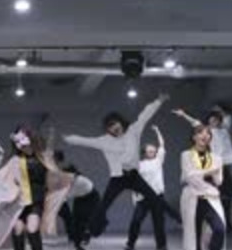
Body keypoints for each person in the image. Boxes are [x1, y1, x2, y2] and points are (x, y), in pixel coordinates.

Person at [63, 94, 169, 240]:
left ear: (121, 122)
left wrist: (158, 101)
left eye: (115, 124)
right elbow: (86, 141)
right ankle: (90, 231)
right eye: (110, 127)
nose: (114, 128)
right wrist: (69, 139)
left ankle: (172, 226)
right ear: (108, 130)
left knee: (155, 200)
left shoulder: (133, 130)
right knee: (103, 205)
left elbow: (145, 115)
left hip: (133, 176)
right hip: (118, 178)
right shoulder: (104, 140)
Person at [0, 126, 74, 250]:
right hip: (18, 203)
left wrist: (51, 137)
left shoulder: (43, 157)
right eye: (19, 143)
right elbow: (0, 178)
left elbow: (54, 170)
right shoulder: (15, 161)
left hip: (35, 201)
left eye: (24, 142)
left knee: (32, 229)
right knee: (17, 231)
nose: (22, 146)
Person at [173, 105, 232, 234]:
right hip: (212, 164)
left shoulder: (224, 130)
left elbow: (228, 119)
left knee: (229, 192)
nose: (214, 122)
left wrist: (220, 111)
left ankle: (225, 220)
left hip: (223, 164)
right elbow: (195, 122)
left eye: (216, 120)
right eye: (212, 120)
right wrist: (183, 115)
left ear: (219, 121)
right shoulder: (206, 131)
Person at [179, 125, 226, 250]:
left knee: (219, 229)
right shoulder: (186, 155)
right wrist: (209, 172)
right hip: (192, 197)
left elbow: (219, 181)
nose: (205, 136)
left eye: (208, 134)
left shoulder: (217, 158)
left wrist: (213, 172)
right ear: (194, 137)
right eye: (200, 133)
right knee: (195, 234)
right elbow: (189, 177)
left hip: (211, 197)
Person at [125, 124, 174, 250]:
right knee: (136, 220)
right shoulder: (139, 165)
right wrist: (135, 197)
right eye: (150, 151)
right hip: (143, 197)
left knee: (159, 222)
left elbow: (162, 145)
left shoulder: (158, 161)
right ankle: (130, 244)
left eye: (154, 151)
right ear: (145, 153)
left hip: (157, 196)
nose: (153, 153)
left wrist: (157, 131)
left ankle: (161, 245)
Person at [54, 150, 100, 250]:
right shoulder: (67, 181)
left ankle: (87, 233)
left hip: (92, 198)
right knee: (76, 223)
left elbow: (64, 195)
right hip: (80, 198)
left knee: (90, 222)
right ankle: (79, 249)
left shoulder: (78, 181)